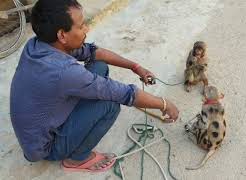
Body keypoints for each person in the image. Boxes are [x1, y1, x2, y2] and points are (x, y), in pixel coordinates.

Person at [10, 0, 179, 172]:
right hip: (46, 148)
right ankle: (77, 159)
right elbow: (124, 94)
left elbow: (94, 52)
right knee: (110, 104)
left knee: (99, 65)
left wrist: (135, 67)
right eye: (81, 26)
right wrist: (164, 104)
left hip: (38, 129)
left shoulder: (39, 44)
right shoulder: (65, 72)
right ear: (62, 35)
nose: (86, 29)